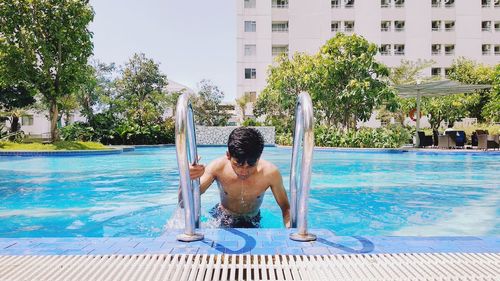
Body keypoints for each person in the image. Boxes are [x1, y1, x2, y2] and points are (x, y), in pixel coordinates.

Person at [185, 127, 290, 228]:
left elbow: (286, 207)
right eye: (238, 164)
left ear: (259, 157)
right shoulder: (217, 168)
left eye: (251, 165)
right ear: (228, 156)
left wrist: (290, 228)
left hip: (252, 219)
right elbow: (185, 201)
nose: (244, 171)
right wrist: (187, 177)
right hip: (222, 215)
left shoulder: (270, 173)